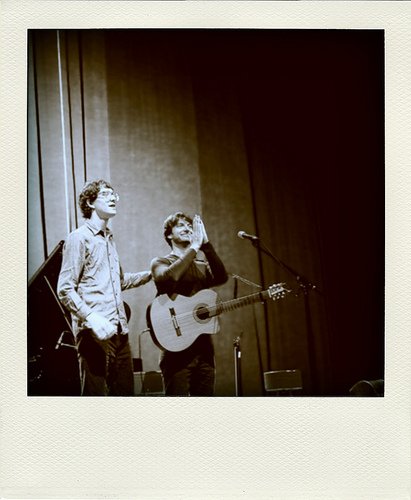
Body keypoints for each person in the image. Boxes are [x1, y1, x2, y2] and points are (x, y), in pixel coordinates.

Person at [57, 179, 151, 396]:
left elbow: (120, 281)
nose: (113, 198)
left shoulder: (109, 240)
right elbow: (65, 288)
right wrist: (91, 317)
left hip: (119, 331)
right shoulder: (78, 238)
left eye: (113, 194)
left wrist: (151, 274)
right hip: (93, 334)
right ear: (90, 203)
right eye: (106, 194)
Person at [150, 212, 228, 396]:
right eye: (180, 225)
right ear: (169, 235)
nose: (187, 228)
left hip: (203, 348)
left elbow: (221, 277)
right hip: (176, 348)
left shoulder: (199, 265)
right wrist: (194, 246)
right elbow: (171, 277)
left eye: (189, 225)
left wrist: (206, 246)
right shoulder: (160, 262)